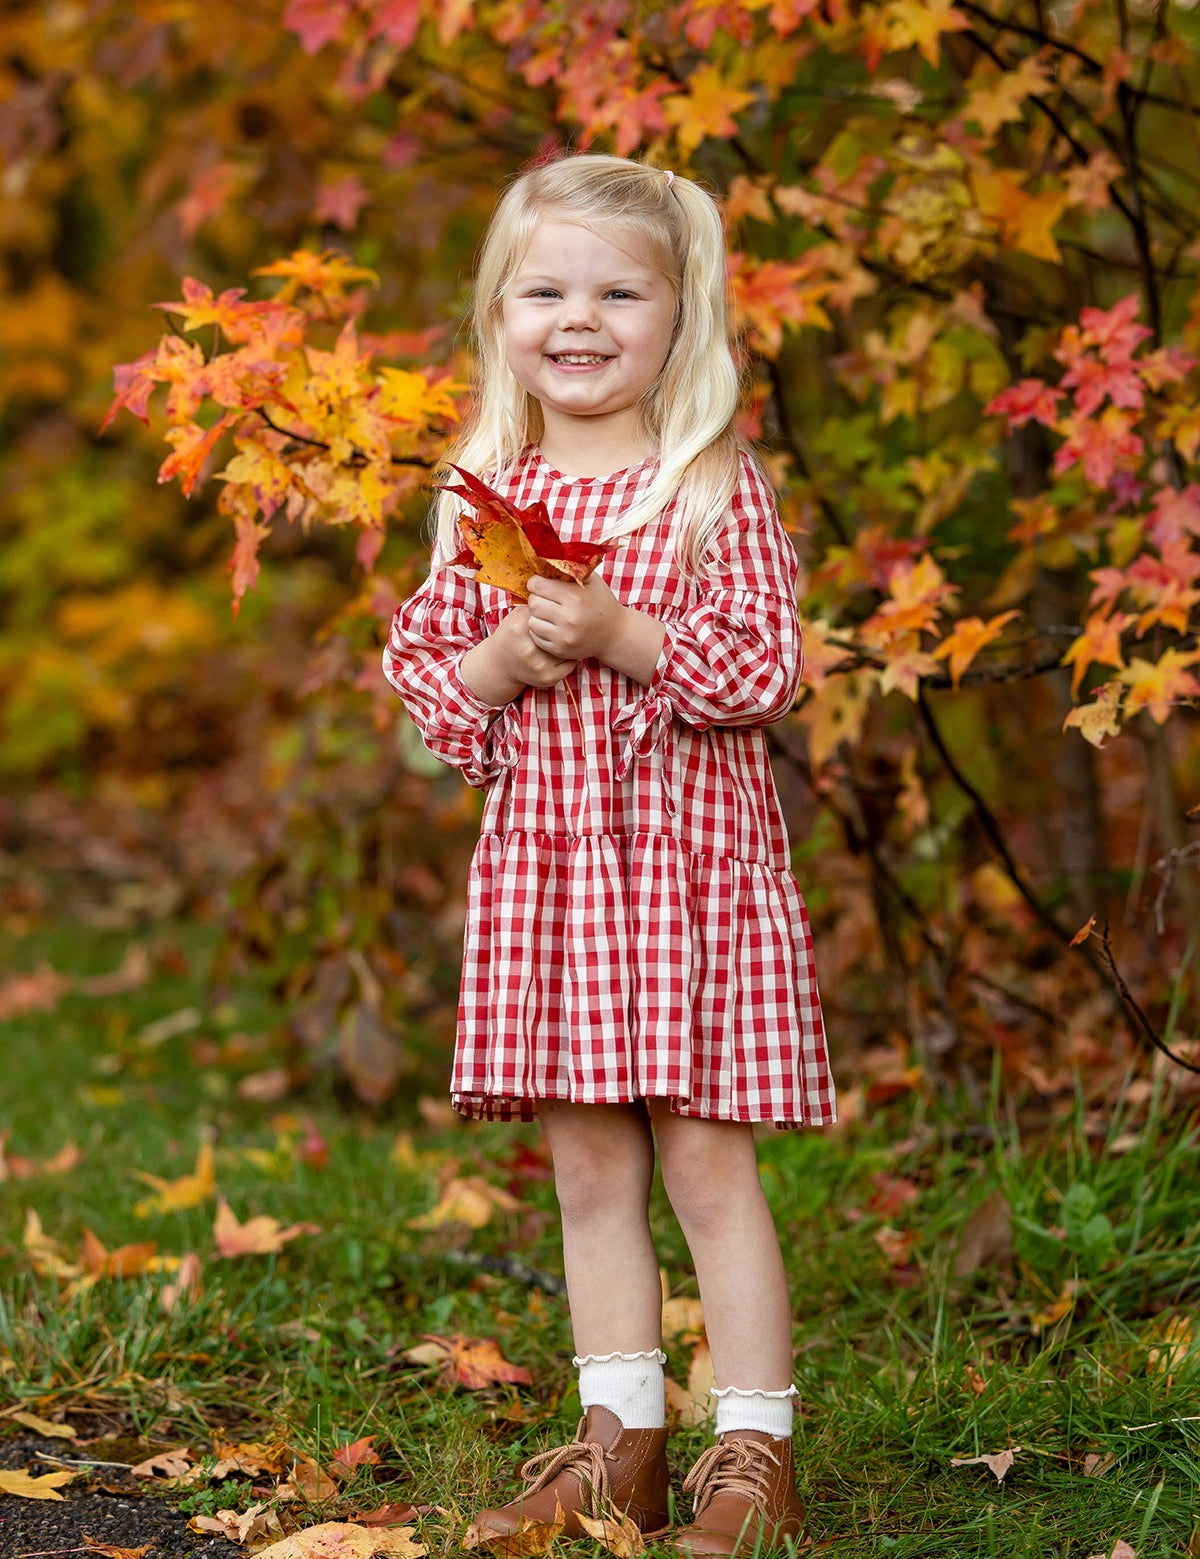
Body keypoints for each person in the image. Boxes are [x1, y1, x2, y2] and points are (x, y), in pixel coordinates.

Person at [383, 153, 834, 1558]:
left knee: (706, 1164)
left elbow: (769, 665)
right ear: (500, 314)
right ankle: (619, 1442)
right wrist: (505, 655)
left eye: (619, 292)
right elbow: (424, 678)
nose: (580, 319)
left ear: (678, 318)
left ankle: (754, 1453)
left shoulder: (704, 485)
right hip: (559, 892)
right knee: (589, 1171)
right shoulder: (488, 506)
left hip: (692, 888)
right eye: (547, 290)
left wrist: (629, 638)